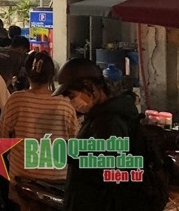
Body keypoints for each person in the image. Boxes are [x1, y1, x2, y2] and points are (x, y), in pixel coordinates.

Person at [53, 57, 152, 211]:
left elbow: (108, 169)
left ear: (89, 86)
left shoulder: (111, 121)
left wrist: (72, 152)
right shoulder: (100, 116)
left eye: (72, 96)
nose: (72, 102)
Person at [0, 52, 78, 209]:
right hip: (57, 179)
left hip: (22, 176)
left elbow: (3, 136)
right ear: (52, 76)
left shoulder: (17, 99)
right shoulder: (65, 104)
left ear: (26, 74)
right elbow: (75, 141)